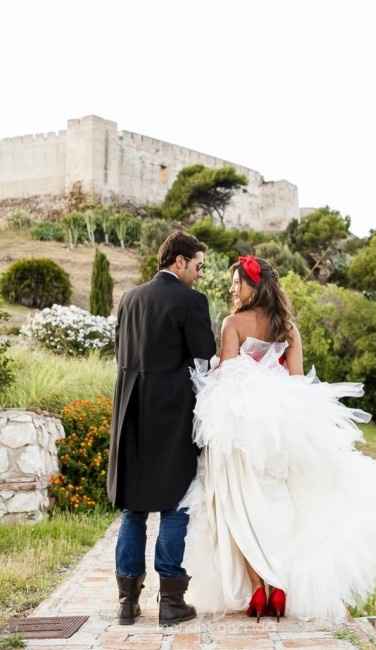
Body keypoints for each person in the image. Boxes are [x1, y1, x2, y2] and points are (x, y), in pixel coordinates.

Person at [179, 254, 376, 624]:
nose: (232, 289)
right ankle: (279, 589)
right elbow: (296, 381)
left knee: (240, 506)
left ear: (252, 285)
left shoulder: (233, 323)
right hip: (281, 430)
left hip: (241, 429)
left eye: (236, 283)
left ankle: (259, 589)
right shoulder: (287, 327)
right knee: (278, 505)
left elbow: (226, 376)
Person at [107, 230, 216, 626]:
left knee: (134, 509)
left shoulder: (129, 298)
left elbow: (121, 353)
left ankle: (126, 603)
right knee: (175, 503)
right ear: (179, 261)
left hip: (130, 413)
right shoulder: (191, 301)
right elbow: (205, 356)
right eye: (198, 266)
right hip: (172, 414)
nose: (200, 274)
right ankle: (171, 604)